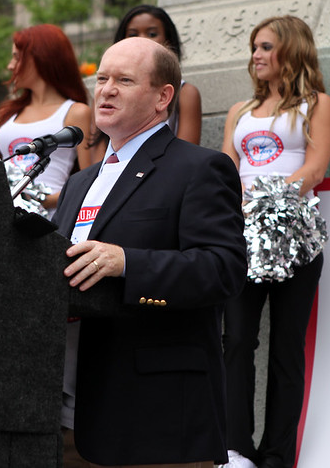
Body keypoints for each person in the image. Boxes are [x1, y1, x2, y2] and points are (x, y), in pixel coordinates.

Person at [52, 37, 248, 467]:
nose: (106, 90)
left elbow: (224, 269)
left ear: (163, 97)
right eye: (102, 78)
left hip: (154, 416)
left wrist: (128, 263)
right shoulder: (80, 183)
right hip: (68, 415)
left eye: (124, 80)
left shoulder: (199, 168)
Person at [219, 15, 330, 468]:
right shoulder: (239, 112)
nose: (256, 55)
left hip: (295, 238)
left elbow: (316, 168)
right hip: (240, 238)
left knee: (286, 349)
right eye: (254, 47)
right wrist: (234, 209)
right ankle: (235, 451)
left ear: (290, 50)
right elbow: (227, 171)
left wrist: (270, 200)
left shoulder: (316, 104)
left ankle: (276, 457)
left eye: (266, 46)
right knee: (236, 341)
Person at [0, 24, 106, 216]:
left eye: (17, 57)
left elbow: (90, 182)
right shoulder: (5, 113)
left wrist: (38, 198)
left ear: (39, 58)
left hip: (48, 222)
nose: (10, 66)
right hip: (1, 217)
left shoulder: (76, 113)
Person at [113, 4, 202, 144]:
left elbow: (186, 156)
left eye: (152, 34)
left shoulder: (185, 93)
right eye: (132, 34)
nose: (141, 39)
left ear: (168, 40)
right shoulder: (107, 91)